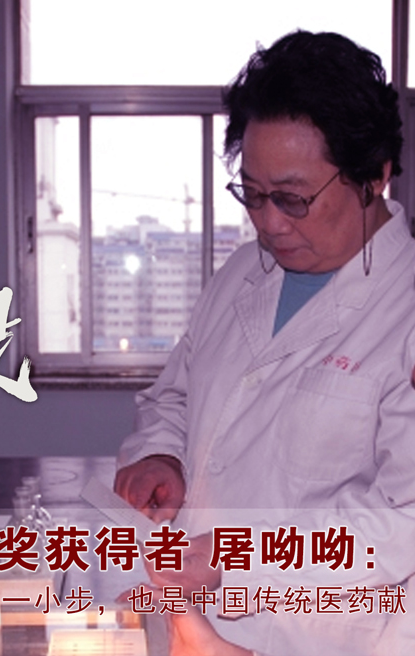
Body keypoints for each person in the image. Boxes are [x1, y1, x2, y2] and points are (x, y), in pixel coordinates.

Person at [114, 31, 415, 656]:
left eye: (293, 198)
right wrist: (162, 456)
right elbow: (176, 397)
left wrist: (237, 557)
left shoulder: (403, 310)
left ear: (374, 176)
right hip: (194, 624)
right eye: (252, 194)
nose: (269, 222)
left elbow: (403, 521)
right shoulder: (243, 272)